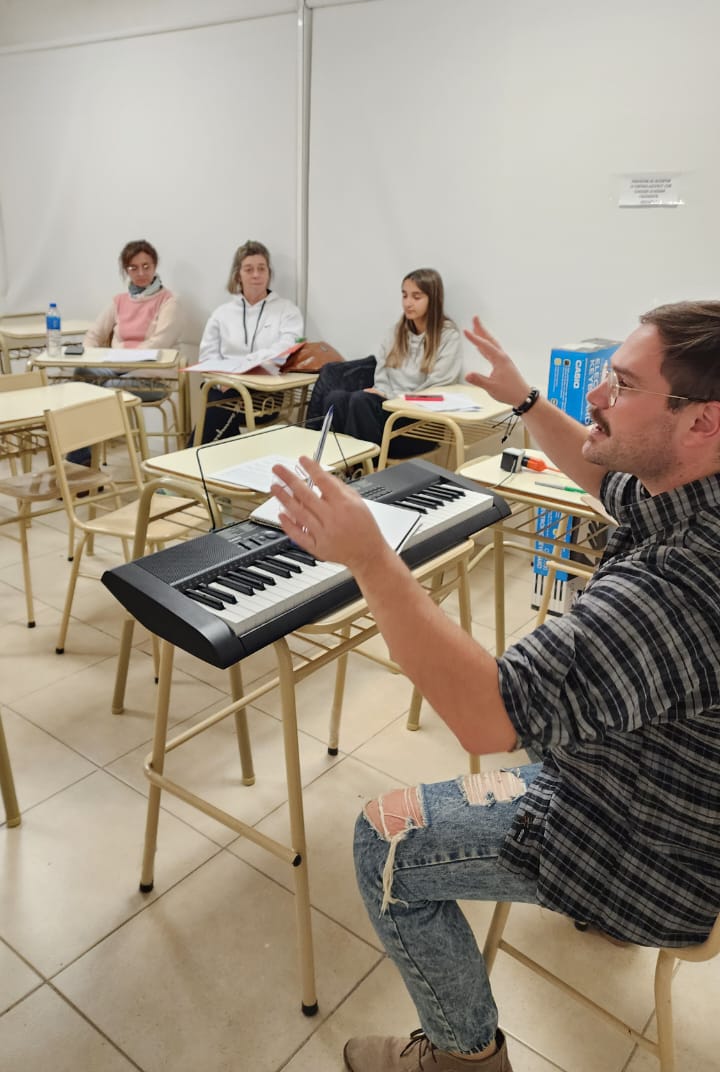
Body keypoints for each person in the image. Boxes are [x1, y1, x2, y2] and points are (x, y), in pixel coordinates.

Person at [270, 301, 720, 1072]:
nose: (596, 399)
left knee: (384, 836)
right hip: (673, 786)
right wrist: (522, 399)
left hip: (647, 845)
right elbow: (598, 475)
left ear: (701, 420)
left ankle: (462, 1054)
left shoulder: (681, 585)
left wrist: (372, 558)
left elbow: (490, 715)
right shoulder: (686, 489)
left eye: (623, 384)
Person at [310, 268, 462, 455]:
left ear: (433, 299)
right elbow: (381, 376)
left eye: (416, 297)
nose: (408, 303)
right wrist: (383, 394)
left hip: (419, 422)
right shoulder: (395, 333)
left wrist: (392, 398)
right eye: (404, 295)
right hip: (387, 412)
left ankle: (365, 470)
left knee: (360, 401)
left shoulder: (448, 337)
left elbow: (437, 389)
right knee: (336, 398)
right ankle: (336, 466)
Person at [67, 239, 181, 464]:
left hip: (153, 376)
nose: (141, 273)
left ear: (155, 266)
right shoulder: (119, 301)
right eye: (133, 267)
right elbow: (93, 334)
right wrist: (93, 356)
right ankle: (81, 462)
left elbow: (159, 344)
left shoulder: (169, 301)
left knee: (106, 390)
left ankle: (78, 464)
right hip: (116, 369)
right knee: (82, 374)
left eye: (146, 266)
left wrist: (117, 362)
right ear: (126, 270)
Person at [195, 240, 303, 443]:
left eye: (261, 268)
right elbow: (207, 357)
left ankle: (191, 460)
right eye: (249, 269)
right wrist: (225, 380)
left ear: (269, 273)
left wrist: (245, 367)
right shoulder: (222, 313)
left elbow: (286, 348)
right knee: (217, 399)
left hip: (267, 396)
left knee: (216, 406)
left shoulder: (288, 311)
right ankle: (217, 459)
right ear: (238, 274)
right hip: (225, 388)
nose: (256, 275)